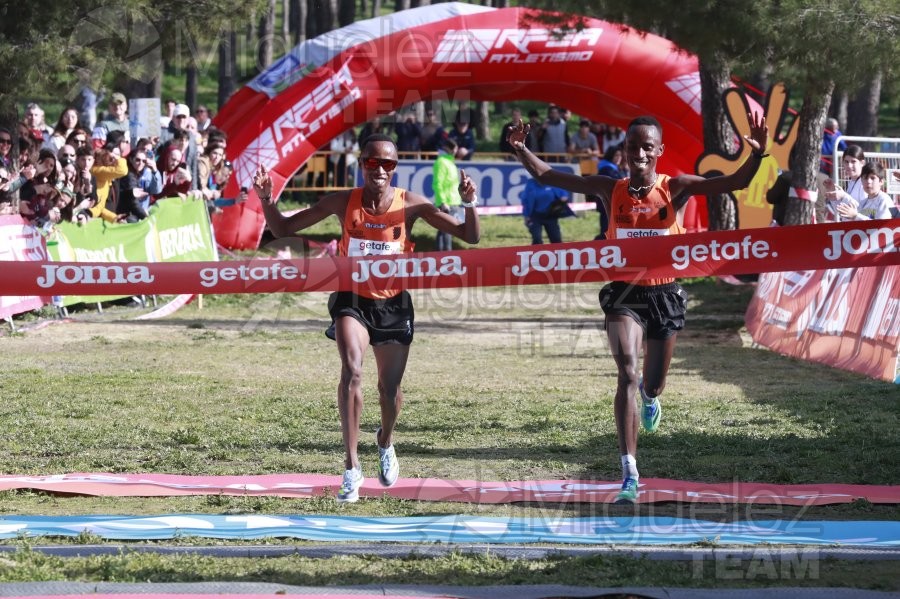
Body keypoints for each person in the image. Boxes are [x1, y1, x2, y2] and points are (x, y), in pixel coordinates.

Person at [507, 113, 769, 504]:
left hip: (664, 295)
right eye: (634, 147)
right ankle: (629, 472)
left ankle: (651, 397)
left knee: (651, 382)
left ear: (659, 151)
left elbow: (735, 182)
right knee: (627, 372)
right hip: (623, 294)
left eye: (648, 146)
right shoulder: (608, 189)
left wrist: (758, 153)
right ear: (624, 151)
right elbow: (549, 177)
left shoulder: (675, 188)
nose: (640, 153)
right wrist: (521, 148)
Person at [255, 133, 480, 503]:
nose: (379, 169)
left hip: (393, 305)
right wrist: (266, 199)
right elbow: (282, 229)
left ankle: (385, 440)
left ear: (394, 168)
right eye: (372, 162)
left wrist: (469, 204)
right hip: (352, 299)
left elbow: (468, 236)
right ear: (362, 164)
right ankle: (351, 467)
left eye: (387, 164)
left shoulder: (412, 205)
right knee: (352, 371)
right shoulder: (343, 202)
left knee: (388, 392)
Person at [432, 138, 464, 251]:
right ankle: (447, 255)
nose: (456, 151)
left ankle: (439, 256)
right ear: (449, 149)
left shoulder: (450, 162)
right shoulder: (441, 162)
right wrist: (442, 202)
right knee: (447, 231)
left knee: (443, 231)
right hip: (446, 203)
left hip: (452, 201)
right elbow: (438, 184)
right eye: (455, 149)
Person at [520, 178, 573, 244]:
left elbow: (563, 193)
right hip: (535, 216)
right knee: (537, 238)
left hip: (550, 215)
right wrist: (526, 216)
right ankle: (537, 253)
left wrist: (563, 198)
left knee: (556, 239)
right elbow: (526, 200)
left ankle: (557, 253)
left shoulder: (552, 183)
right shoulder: (531, 183)